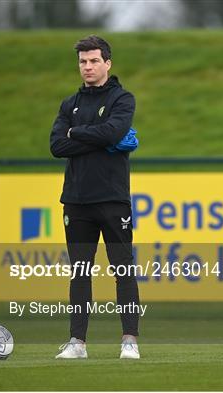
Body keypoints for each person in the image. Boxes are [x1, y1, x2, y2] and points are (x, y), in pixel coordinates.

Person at [50, 35, 140, 359]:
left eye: (93, 61)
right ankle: (77, 343)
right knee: (80, 272)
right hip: (76, 199)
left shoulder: (122, 99)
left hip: (113, 198)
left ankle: (129, 340)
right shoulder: (68, 104)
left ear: (107, 63)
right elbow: (57, 145)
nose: (87, 67)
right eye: (83, 62)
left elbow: (113, 132)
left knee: (122, 269)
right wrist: (94, 136)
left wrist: (76, 132)